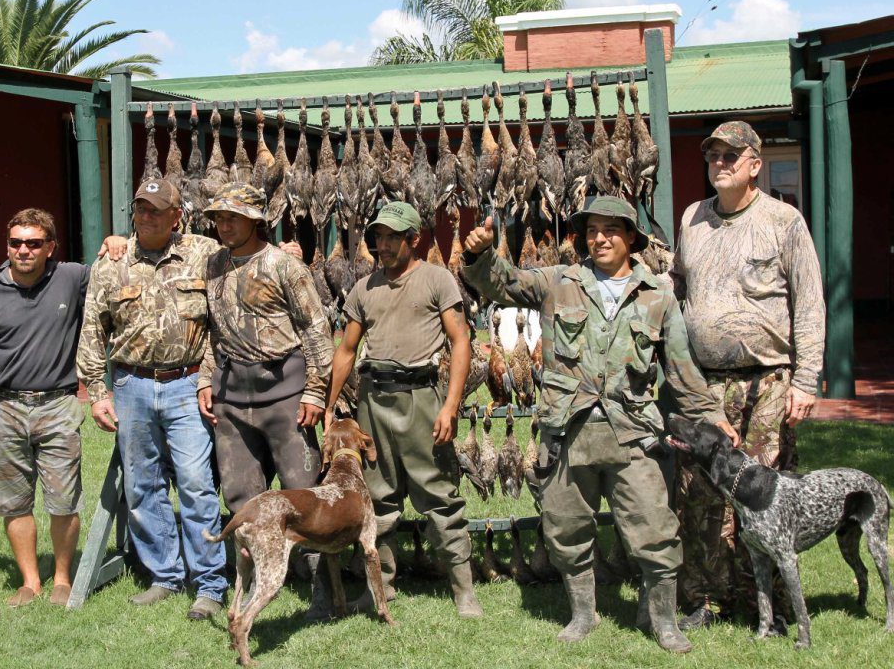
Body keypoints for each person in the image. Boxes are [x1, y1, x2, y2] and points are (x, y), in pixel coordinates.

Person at [461, 196, 738, 653]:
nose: (600, 238)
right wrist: (479, 254)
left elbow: (684, 372)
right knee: (567, 529)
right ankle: (583, 614)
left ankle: (663, 621)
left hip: (633, 435)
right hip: (568, 432)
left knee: (655, 529)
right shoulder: (559, 282)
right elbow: (502, 283)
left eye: (611, 229)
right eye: (592, 230)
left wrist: (713, 417)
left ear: (631, 238)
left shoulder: (658, 297)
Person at [671, 121, 825, 630]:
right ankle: (702, 599)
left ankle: (769, 602)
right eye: (713, 155)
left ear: (755, 163)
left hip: (768, 383)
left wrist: (806, 380)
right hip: (703, 382)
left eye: (730, 156)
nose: (719, 162)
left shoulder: (784, 221)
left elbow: (809, 304)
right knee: (698, 494)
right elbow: (677, 293)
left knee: (764, 494)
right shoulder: (692, 218)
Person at [76, 178, 228, 621]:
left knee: (197, 483)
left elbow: (221, 323)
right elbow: (92, 330)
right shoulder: (111, 263)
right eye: (140, 209)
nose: (146, 217)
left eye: (156, 210)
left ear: (177, 216)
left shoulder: (205, 253)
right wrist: (97, 392)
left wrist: (206, 377)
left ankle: (209, 582)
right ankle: (165, 574)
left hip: (186, 384)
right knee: (143, 485)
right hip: (131, 386)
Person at [324, 201, 482, 618]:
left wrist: (450, 405)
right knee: (377, 500)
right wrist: (329, 407)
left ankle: (463, 590)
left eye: (393, 237)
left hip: (421, 400)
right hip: (373, 401)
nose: (383, 245)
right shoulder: (365, 288)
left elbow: (461, 341)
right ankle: (382, 586)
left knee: (440, 496)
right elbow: (346, 350)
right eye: (378, 236)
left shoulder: (436, 279)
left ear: (414, 239)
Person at [196, 183, 334, 621]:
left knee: (305, 493)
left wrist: (314, 390)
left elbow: (316, 330)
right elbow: (212, 331)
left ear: (256, 221)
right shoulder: (213, 264)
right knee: (241, 493)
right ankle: (255, 579)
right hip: (233, 396)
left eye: (233, 217)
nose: (224, 224)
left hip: (285, 391)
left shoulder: (284, 266)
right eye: (219, 217)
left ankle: (322, 586)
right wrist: (205, 379)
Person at [0, 209, 91, 607]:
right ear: (7, 245)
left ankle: (62, 578)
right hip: (4, 407)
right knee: (14, 501)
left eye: (33, 243)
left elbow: (115, 274)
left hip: (58, 404)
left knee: (64, 499)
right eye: (15, 243)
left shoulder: (72, 277)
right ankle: (30, 582)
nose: (23, 250)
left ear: (51, 247)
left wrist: (113, 243)